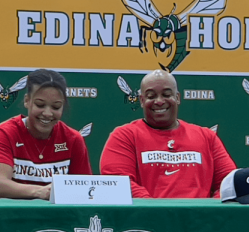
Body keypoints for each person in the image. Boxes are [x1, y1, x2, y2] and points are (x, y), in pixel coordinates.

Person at [100, 70, 235, 198]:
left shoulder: (207, 136)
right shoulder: (124, 136)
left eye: (166, 94)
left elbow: (228, 183)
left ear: (177, 97)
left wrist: (206, 212)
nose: (159, 101)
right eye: (151, 96)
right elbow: (118, 183)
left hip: (200, 220)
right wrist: (159, 214)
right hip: (146, 220)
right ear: (141, 101)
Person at [0, 69, 92, 199]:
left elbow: (85, 191)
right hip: (13, 216)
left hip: (58, 218)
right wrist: (39, 192)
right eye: (40, 104)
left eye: (56, 107)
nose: (47, 113)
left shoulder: (74, 139)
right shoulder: (5, 133)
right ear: (27, 101)